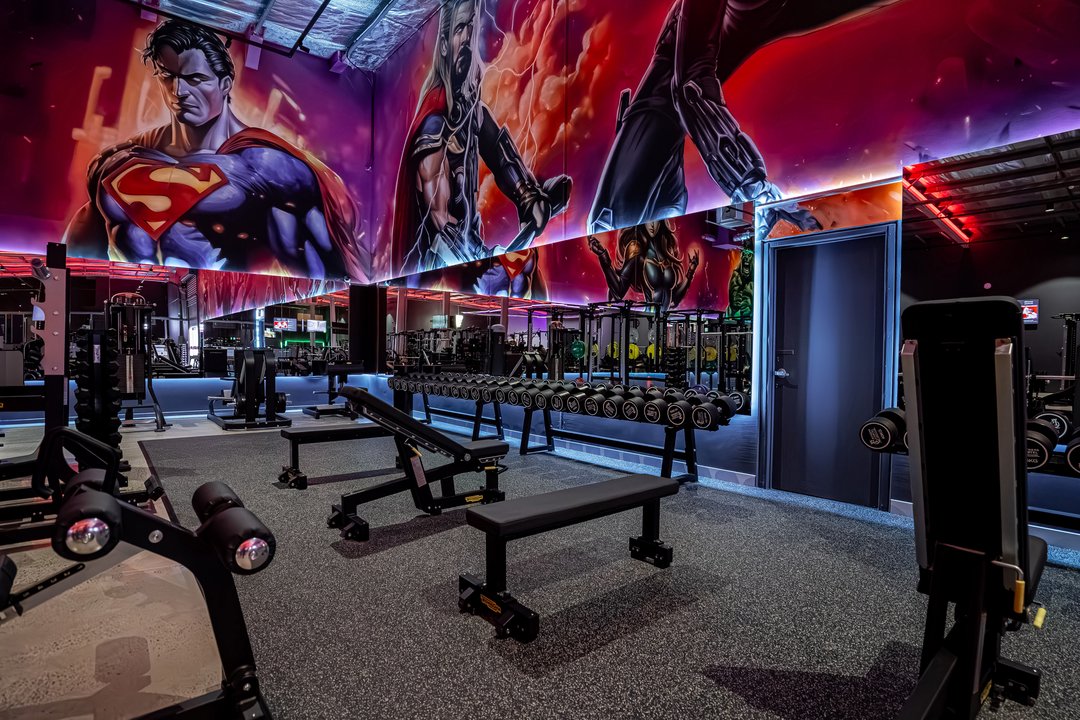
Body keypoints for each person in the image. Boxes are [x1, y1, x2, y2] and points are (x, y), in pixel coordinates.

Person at [64, 20, 365, 281]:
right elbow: (75, 258)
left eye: (195, 79)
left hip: (225, 309)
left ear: (225, 84)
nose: (179, 92)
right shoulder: (115, 164)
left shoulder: (272, 171)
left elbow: (326, 273)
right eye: (168, 77)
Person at [588, 0, 892, 239]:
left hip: (651, 155)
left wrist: (757, 190)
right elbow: (691, 90)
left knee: (613, 222)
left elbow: (691, 90)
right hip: (652, 153)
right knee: (613, 223)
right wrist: (756, 189)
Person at [392, 0, 571, 276]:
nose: (466, 38)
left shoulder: (472, 113)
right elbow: (441, 225)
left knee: (527, 274)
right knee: (513, 277)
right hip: (441, 266)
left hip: (471, 254)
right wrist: (481, 263)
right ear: (444, 45)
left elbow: (501, 157)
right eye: (459, 29)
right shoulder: (433, 126)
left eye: (470, 27)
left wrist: (529, 198)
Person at [588, 220, 699, 313]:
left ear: (661, 222)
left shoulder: (666, 254)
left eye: (656, 220)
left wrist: (690, 273)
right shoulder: (636, 248)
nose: (652, 225)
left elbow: (673, 300)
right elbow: (618, 291)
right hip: (647, 320)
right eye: (649, 220)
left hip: (663, 321)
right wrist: (603, 256)